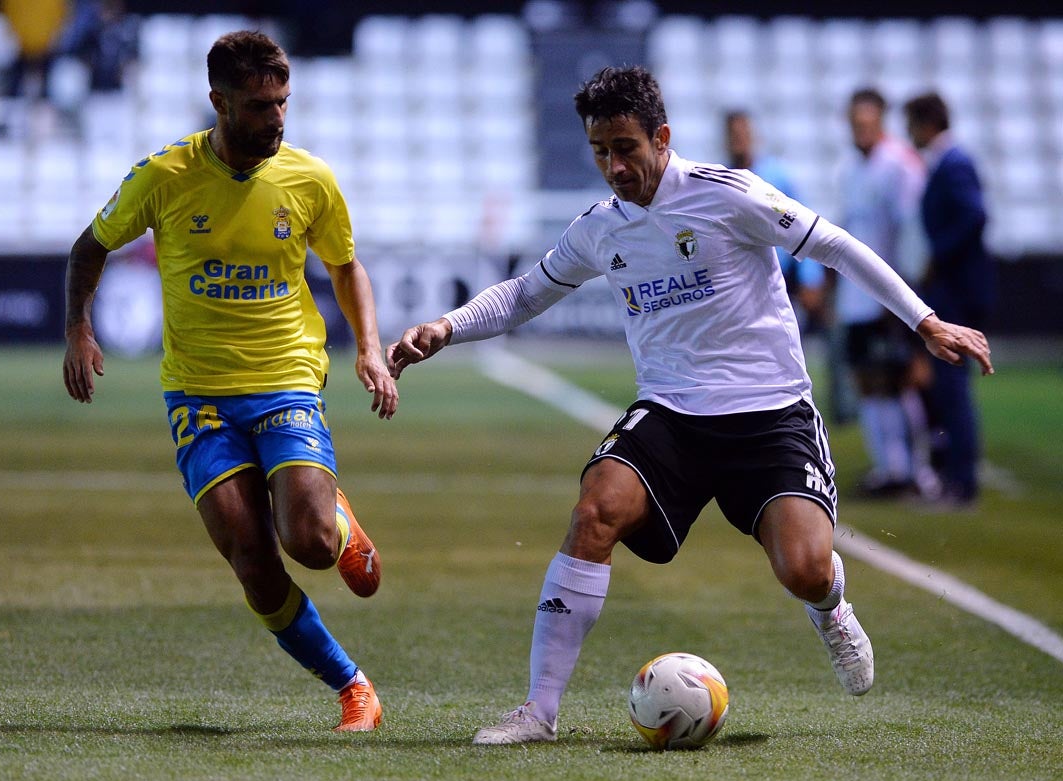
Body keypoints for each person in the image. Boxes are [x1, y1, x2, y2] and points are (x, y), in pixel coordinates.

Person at [388, 66, 993, 744]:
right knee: (594, 510)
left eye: (625, 148)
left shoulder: (726, 195)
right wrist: (446, 325)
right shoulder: (600, 228)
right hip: (672, 414)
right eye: (599, 153)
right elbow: (525, 293)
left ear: (662, 138)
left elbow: (833, 245)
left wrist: (924, 320)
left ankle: (829, 606)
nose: (614, 167)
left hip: (769, 415)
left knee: (803, 568)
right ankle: (538, 711)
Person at [62, 31, 398, 733]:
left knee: (308, 543)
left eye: (282, 102)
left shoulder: (308, 179)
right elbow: (89, 247)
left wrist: (368, 348)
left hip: (285, 380)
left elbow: (345, 267)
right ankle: (353, 688)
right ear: (218, 101)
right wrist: (78, 329)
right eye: (258, 105)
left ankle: (335, 520)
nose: (276, 119)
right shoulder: (164, 177)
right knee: (252, 556)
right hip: (198, 394)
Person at [835, 88, 937, 498]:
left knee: (900, 382)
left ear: (881, 121)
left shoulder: (899, 165)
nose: (860, 129)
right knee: (868, 381)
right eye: (855, 122)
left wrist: (908, 287)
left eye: (867, 122)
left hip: (890, 292)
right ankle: (888, 467)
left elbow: (911, 232)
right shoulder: (850, 168)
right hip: (855, 294)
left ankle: (919, 470)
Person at [904, 92, 996, 509]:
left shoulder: (954, 164)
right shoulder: (946, 163)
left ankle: (961, 483)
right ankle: (955, 477)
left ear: (925, 124)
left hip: (957, 291)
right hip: (955, 288)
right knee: (947, 388)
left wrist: (938, 256)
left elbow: (975, 215)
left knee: (952, 388)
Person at [724, 110, 825, 332]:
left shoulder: (776, 176)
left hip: (780, 277)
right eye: (733, 135)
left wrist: (810, 277)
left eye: (743, 134)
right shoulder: (719, 182)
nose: (739, 140)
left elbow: (802, 225)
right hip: (738, 281)